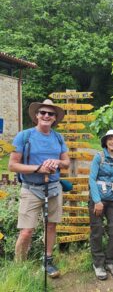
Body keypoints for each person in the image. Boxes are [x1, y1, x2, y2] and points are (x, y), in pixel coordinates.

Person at [8, 99, 70, 278]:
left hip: (54, 188)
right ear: (36, 116)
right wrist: (38, 168)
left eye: (50, 114)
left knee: (51, 225)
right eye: (42, 112)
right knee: (26, 231)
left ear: (54, 118)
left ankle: (48, 260)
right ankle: (19, 266)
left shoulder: (58, 137)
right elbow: (12, 165)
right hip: (31, 188)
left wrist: (58, 162)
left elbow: (66, 163)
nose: (46, 116)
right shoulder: (24, 136)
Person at [88, 129, 113, 280]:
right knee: (97, 231)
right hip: (97, 199)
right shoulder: (99, 157)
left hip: (112, 200)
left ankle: (110, 261)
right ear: (105, 141)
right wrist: (97, 201)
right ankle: (98, 264)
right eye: (110, 139)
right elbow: (92, 179)